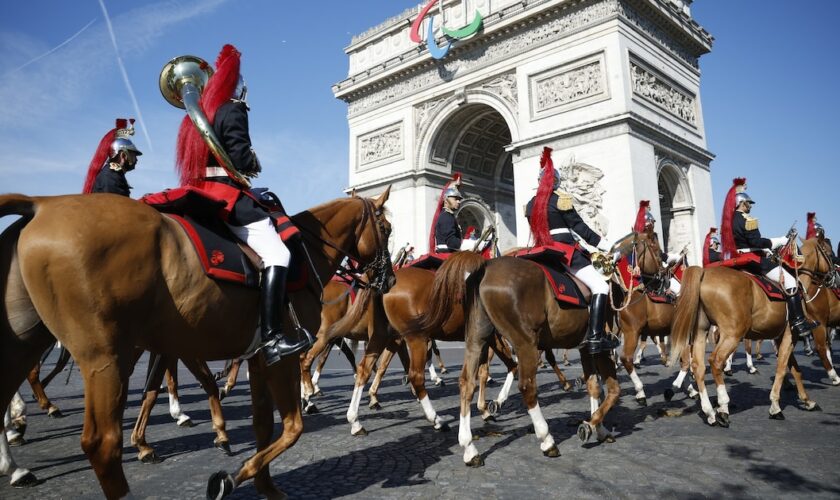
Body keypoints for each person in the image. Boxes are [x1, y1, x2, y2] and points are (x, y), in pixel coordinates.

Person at [175, 44, 312, 365]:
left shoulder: (192, 119)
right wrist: (252, 161)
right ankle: (273, 337)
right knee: (278, 254)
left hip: (197, 195)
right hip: (224, 195)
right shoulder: (231, 108)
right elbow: (238, 155)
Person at [525, 147, 616, 354]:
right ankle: (595, 336)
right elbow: (581, 229)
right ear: (556, 182)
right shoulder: (561, 200)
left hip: (541, 252)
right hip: (564, 254)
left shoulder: (530, 205)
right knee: (601, 286)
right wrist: (606, 245)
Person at [720, 178, 817, 341]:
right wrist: (778, 241)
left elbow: (744, 243)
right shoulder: (748, 220)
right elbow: (755, 242)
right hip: (752, 260)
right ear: (742, 203)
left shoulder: (728, 222)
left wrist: (764, 248)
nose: (750, 206)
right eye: (748, 203)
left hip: (737, 258)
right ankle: (798, 322)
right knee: (790, 281)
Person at [633, 200, 683, 295]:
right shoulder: (639, 238)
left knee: (679, 289)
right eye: (651, 223)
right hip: (649, 276)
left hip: (660, 272)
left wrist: (670, 257)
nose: (653, 225)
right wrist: (636, 266)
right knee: (679, 291)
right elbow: (636, 255)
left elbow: (660, 254)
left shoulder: (654, 236)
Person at [82, 118, 142, 196]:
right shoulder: (111, 176)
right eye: (133, 155)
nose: (136, 159)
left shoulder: (114, 174)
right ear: (123, 155)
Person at [429, 173, 482, 253]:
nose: (458, 201)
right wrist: (470, 244)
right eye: (455, 199)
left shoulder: (449, 216)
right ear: (446, 200)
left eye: (459, 199)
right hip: (446, 254)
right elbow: (451, 242)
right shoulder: (446, 217)